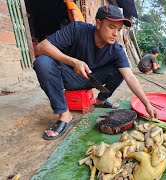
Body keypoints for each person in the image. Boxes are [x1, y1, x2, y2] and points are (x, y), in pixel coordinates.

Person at [33, 4, 157, 140]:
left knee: (120, 70)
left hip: (92, 79)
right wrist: (73, 62)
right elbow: (42, 46)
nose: (116, 34)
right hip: (68, 75)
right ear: (98, 23)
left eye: (119, 29)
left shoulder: (116, 49)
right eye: (111, 27)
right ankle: (65, 115)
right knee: (42, 62)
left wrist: (147, 104)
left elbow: (130, 77)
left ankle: (101, 100)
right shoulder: (77, 29)